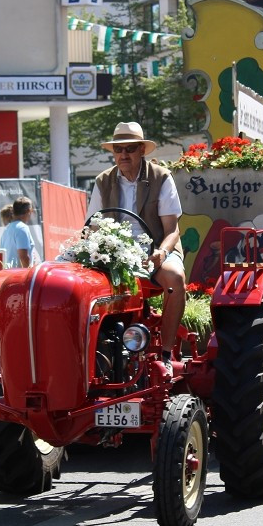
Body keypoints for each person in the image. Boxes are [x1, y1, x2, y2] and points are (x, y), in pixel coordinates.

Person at [87, 121, 184, 375]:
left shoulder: (161, 177)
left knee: (175, 278)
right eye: (118, 150)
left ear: (142, 150)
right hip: (114, 252)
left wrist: (161, 253)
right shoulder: (103, 181)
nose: (123, 155)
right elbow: (93, 227)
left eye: (129, 149)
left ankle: (165, 352)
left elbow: (173, 229)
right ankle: (92, 358)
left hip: (154, 247)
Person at [0, 197, 36, 269]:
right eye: (32, 211)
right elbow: (23, 257)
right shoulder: (22, 228)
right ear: (28, 211)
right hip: (18, 276)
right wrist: (28, 275)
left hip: (8, 274)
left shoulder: (7, 228)